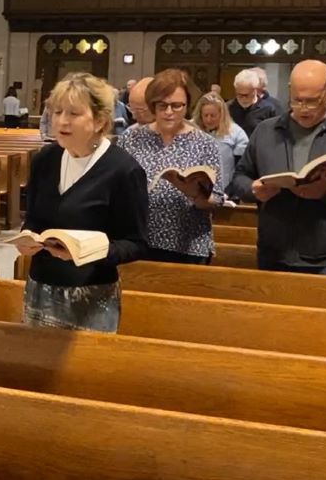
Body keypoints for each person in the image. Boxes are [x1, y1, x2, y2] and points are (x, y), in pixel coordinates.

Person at [16, 72, 148, 333]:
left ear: (99, 121)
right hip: (40, 286)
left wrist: (87, 252)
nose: (62, 121)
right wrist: (26, 238)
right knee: (35, 367)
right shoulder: (45, 159)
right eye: (57, 112)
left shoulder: (123, 170)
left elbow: (136, 243)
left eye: (74, 113)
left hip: (92, 293)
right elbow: (33, 218)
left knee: (85, 372)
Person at [230, 59, 326, 275]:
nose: (303, 109)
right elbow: (240, 177)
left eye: (312, 101)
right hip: (273, 252)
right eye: (297, 100)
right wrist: (253, 189)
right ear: (290, 91)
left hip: (325, 257)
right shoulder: (266, 131)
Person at [118, 69, 225, 264]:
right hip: (139, 241)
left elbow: (217, 198)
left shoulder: (205, 143)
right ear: (152, 105)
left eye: (176, 106)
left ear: (187, 105)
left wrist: (194, 193)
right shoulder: (131, 138)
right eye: (162, 105)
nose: (168, 112)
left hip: (188, 244)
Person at [191, 91, 249, 191]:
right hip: (195, 192)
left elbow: (242, 170)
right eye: (205, 115)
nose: (208, 120)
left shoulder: (236, 133)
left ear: (221, 115)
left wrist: (231, 190)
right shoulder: (192, 130)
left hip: (225, 191)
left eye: (213, 116)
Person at [227, 68, 276, 137]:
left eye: (246, 95)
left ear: (255, 91)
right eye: (240, 95)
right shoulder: (228, 108)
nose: (243, 98)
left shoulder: (268, 109)